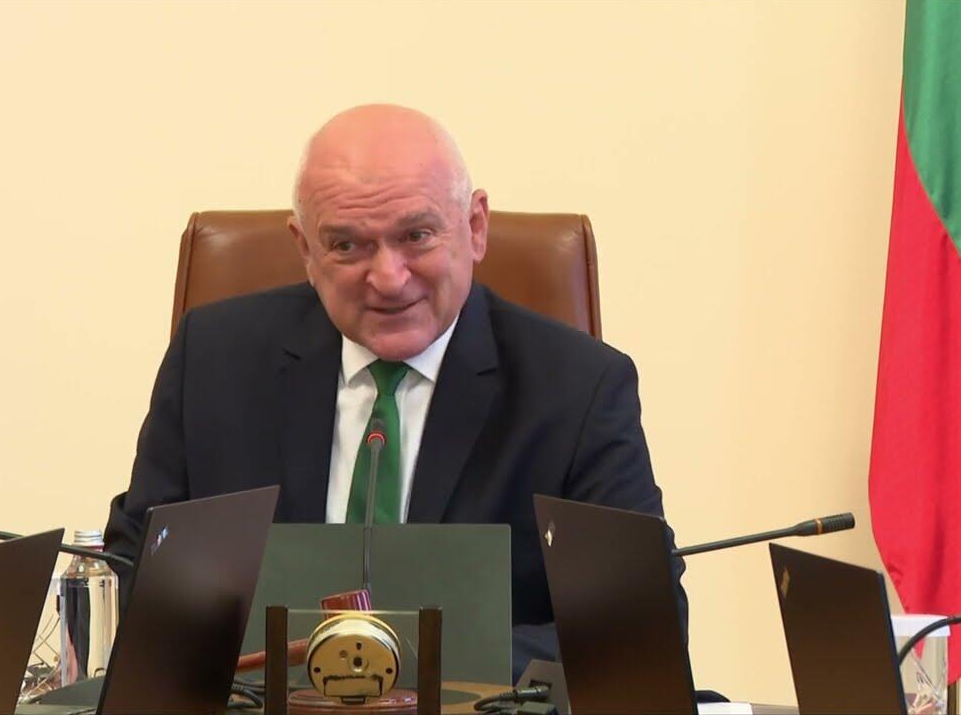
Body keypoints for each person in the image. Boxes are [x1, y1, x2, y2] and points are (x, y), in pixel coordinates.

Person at [103, 104, 687, 678]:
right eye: (346, 245)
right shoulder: (214, 360)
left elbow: (634, 626)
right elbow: (138, 571)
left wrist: (404, 662)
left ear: (475, 227)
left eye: (417, 236)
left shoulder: (578, 388)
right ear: (305, 249)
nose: (388, 278)